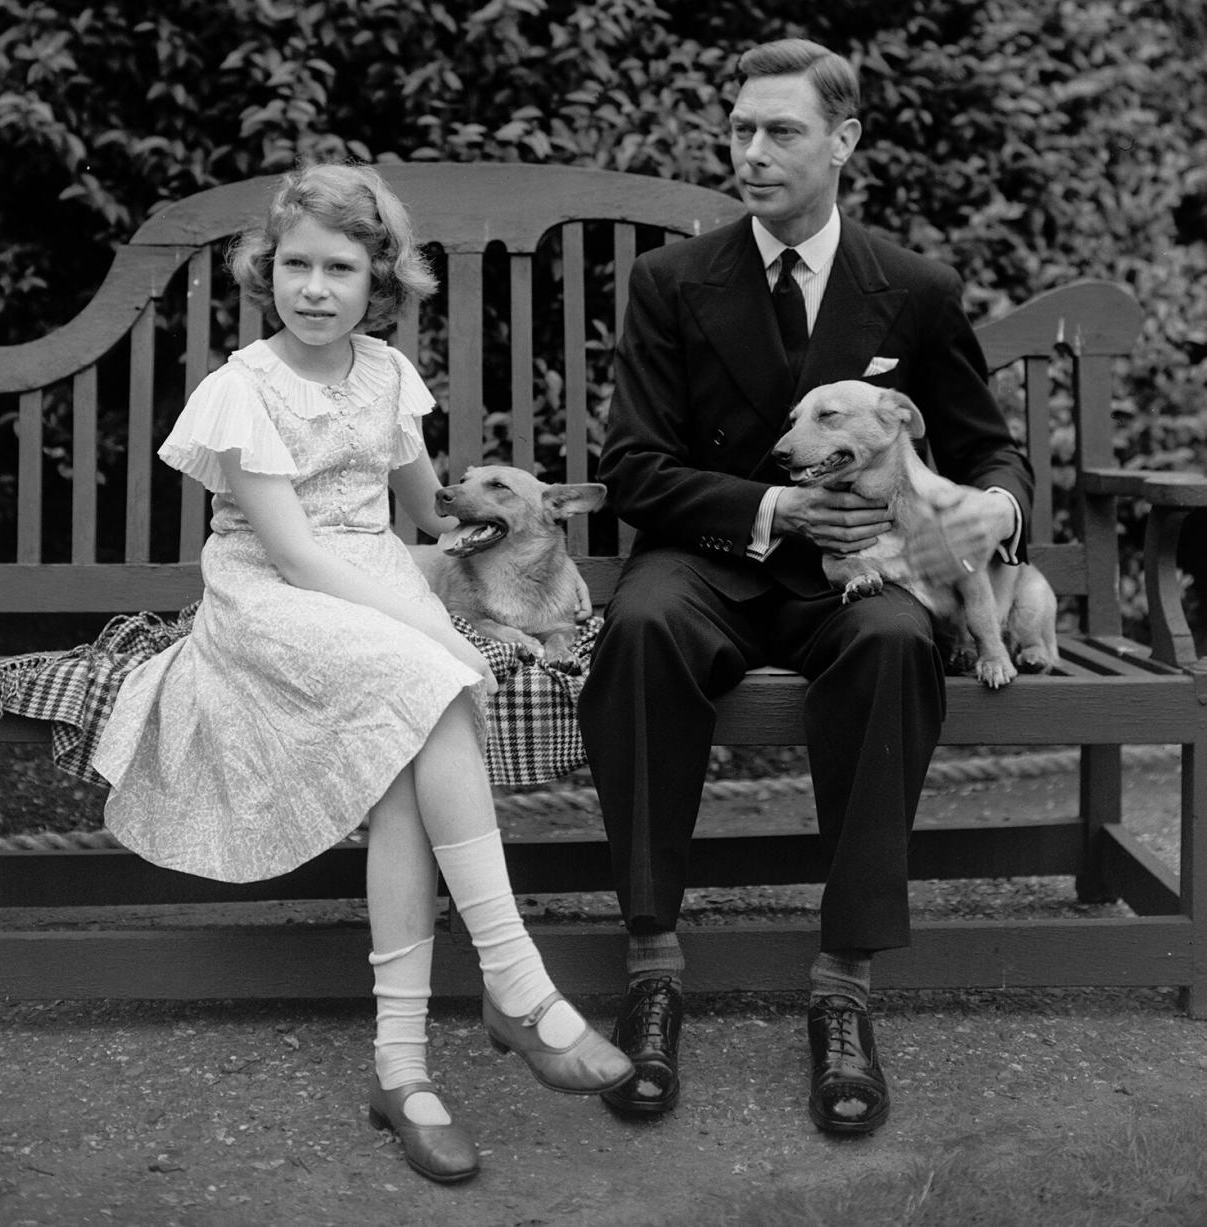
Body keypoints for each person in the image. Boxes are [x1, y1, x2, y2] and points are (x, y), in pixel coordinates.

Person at [93, 162, 631, 1184]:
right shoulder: (242, 390)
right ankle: (518, 989)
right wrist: (441, 635)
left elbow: (429, 515)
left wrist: (519, 530)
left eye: (340, 267)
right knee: (432, 683)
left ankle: (402, 1069)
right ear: (268, 271)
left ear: (379, 281)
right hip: (274, 601)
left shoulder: (385, 374)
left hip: (377, 587)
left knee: (406, 777)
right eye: (295, 263)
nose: (313, 287)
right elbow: (296, 556)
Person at [577, 38, 1033, 1134]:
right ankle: (652, 969)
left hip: (865, 568)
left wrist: (998, 510)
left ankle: (843, 988)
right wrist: (773, 508)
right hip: (713, 559)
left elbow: (989, 450)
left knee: (891, 642)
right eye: (740, 129)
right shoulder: (672, 283)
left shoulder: (913, 289)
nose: (753, 150)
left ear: (844, 142)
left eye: (781, 130)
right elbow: (633, 469)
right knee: (638, 627)